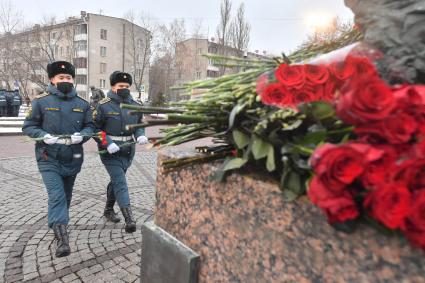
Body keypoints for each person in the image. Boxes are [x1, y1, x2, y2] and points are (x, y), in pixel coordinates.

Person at [22, 61, 94, 257]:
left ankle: (57, 221)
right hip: (48, 157)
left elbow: (90, 127)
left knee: (66, 195)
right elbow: (28, 126)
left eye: (69, 77)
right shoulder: (41, 102)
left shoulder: (82, 104)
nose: (65, 80)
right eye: (61, 77)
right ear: (52, 80)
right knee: (57, 195)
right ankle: (62, 239)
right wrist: (42, 135)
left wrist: (83, 135)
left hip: (73, 157)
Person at [93, 71, 149, 232]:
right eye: (120, 86)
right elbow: (95, 129)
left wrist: (140, 136)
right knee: (120, 181)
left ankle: (108, 209)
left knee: (116, 180)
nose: (124, 88)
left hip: (128, 151)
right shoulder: (103, 105)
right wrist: (107, 143)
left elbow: (139, 126)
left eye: (126, 86)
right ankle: (129, 218)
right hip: (110, 152)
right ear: (113, 86)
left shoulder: (135, 105)